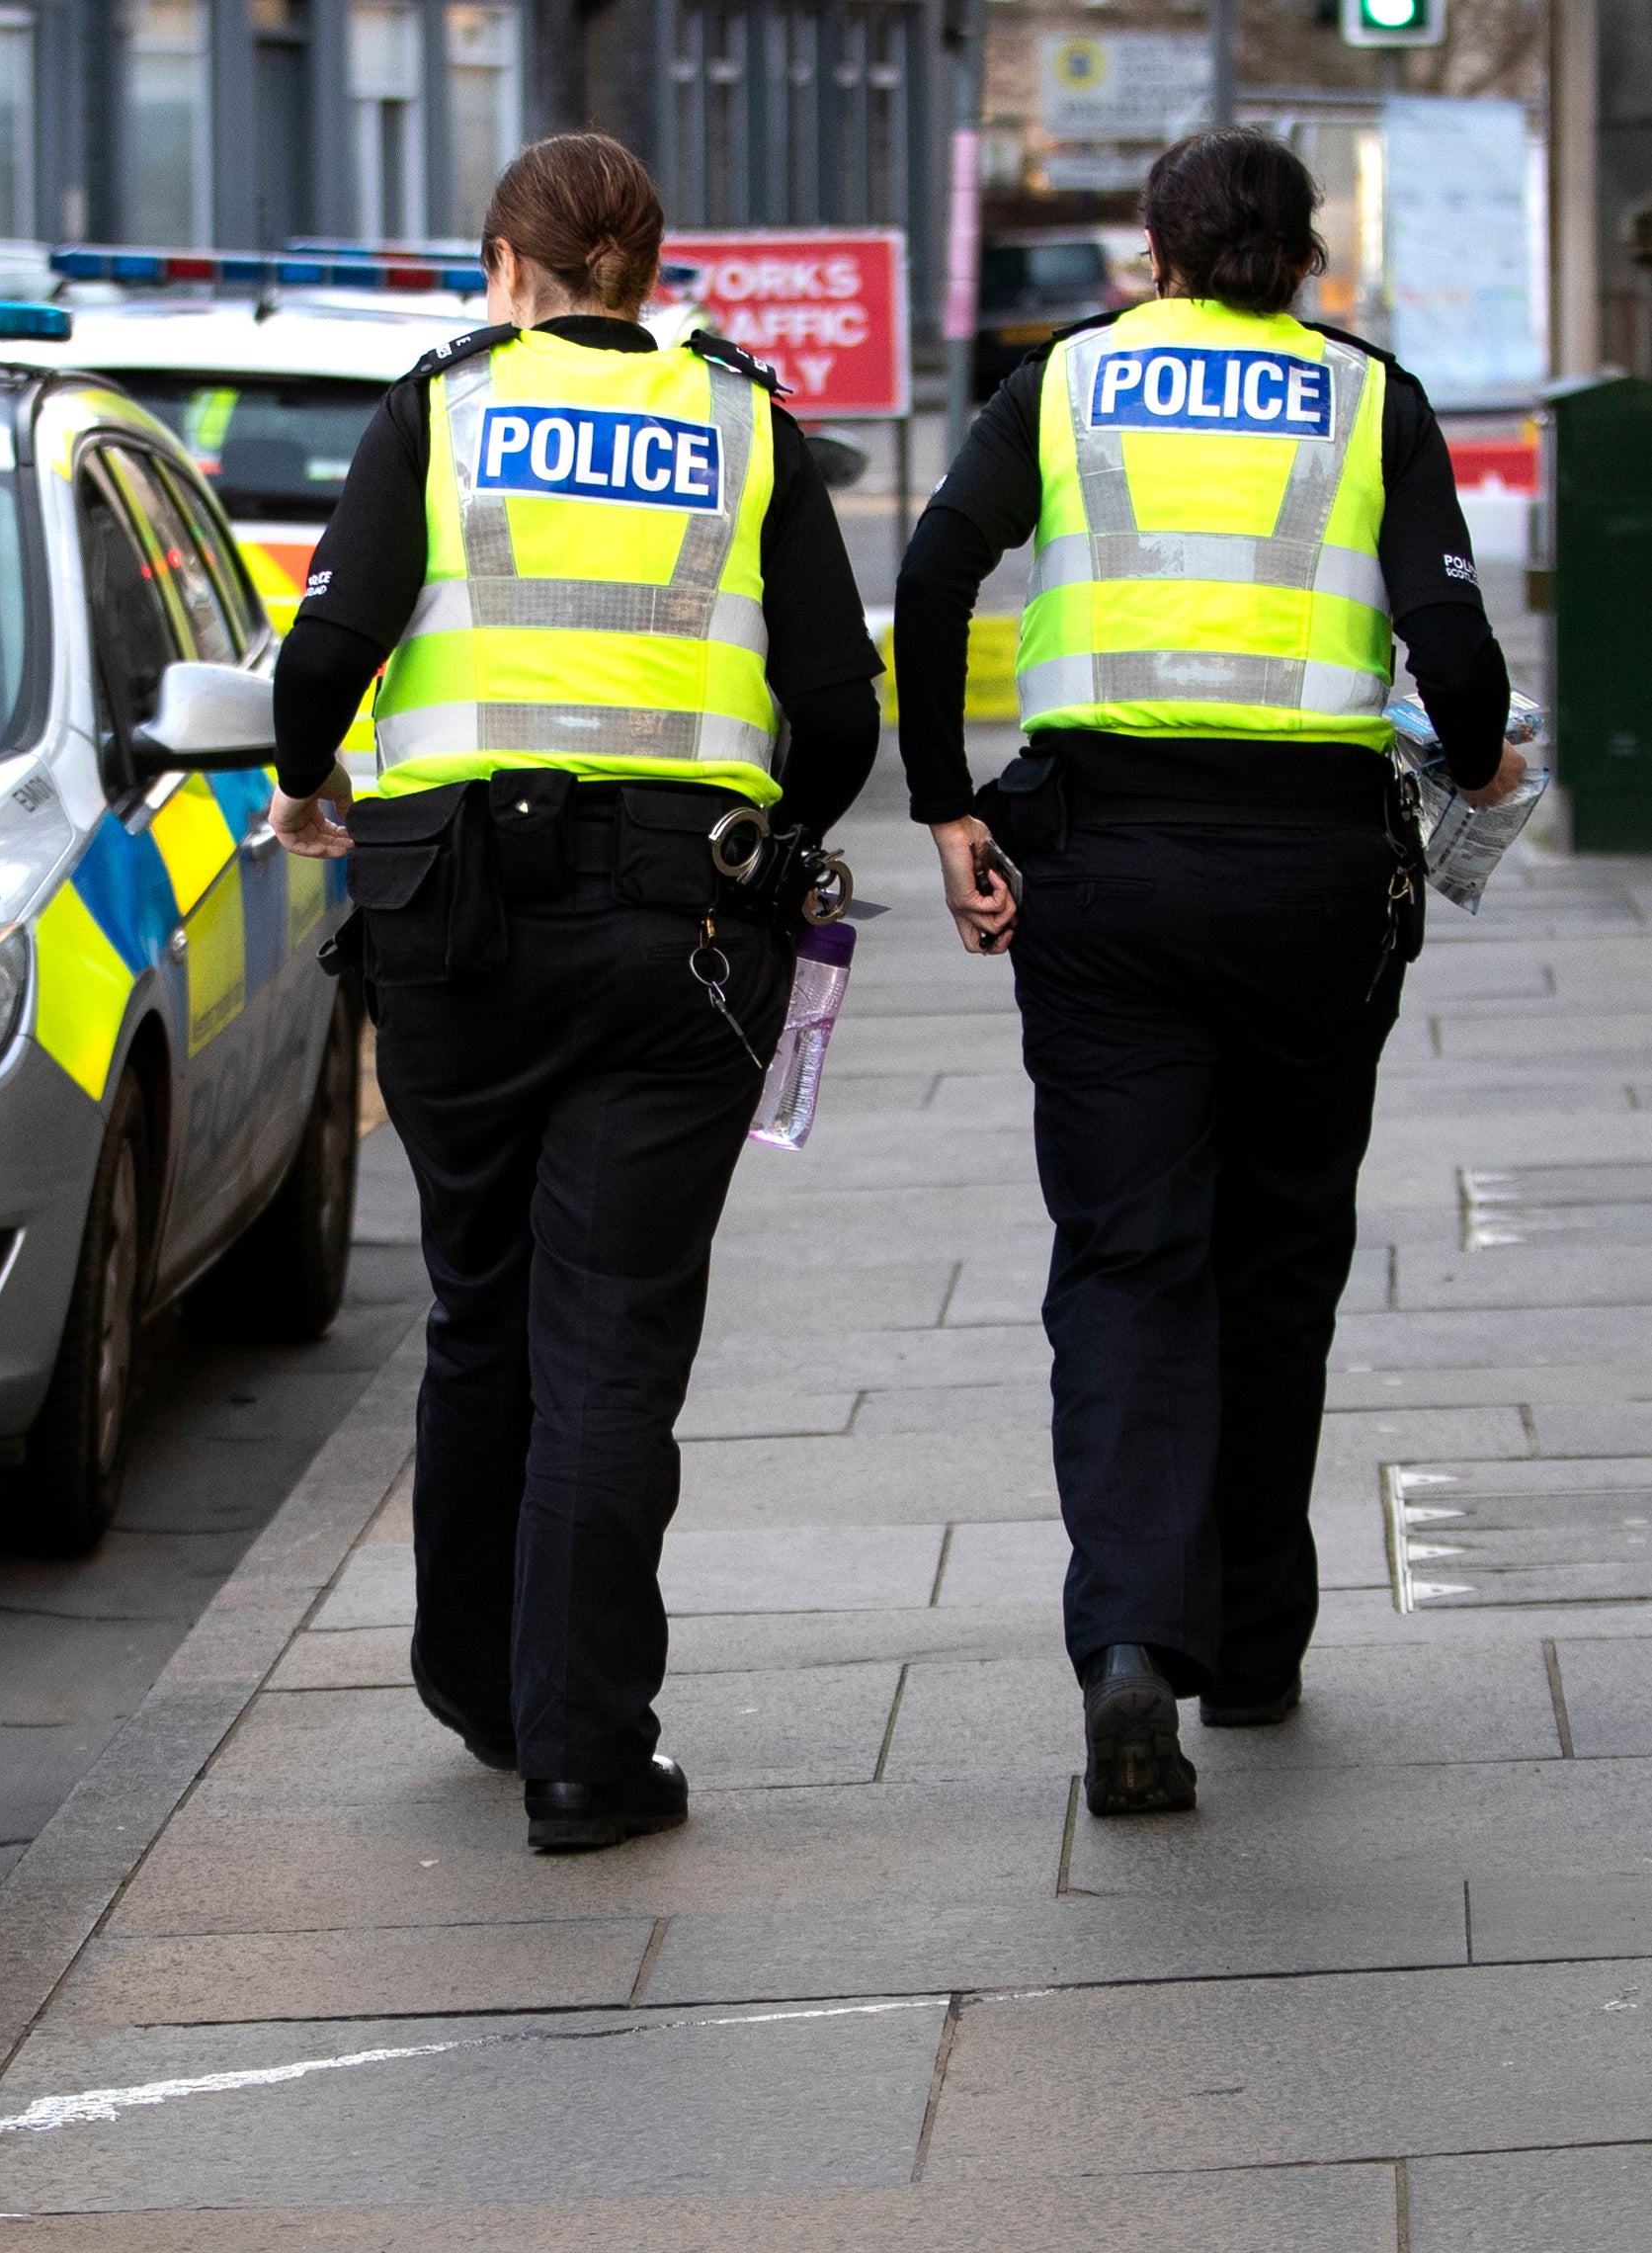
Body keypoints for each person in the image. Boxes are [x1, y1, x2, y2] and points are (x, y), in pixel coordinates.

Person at [894, 128, 1525, 1816]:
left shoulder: (1064, 385)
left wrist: (943, 803)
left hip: (1097, 869)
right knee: (1278, 1246)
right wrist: (1472, 765)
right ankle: (1250, 1644)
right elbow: (1452, 647)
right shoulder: (1365, 396)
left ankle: (1127, 1646)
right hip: (1310, 877)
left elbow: (933, 569)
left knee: (1122, 1261)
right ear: (1304, 253)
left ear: (1155, 253)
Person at [267, 133, 881, 1853]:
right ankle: (582, 1749)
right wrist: (769, 837)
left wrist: (312, 789)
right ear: (647, 270)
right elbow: (838, 710)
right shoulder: (744, 419)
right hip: (674, 929)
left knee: (478, 1301)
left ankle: (475, 1679)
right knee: (608, 1334)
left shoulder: (440, 404)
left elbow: (327, 648)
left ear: (508, 266)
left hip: (449, 928)